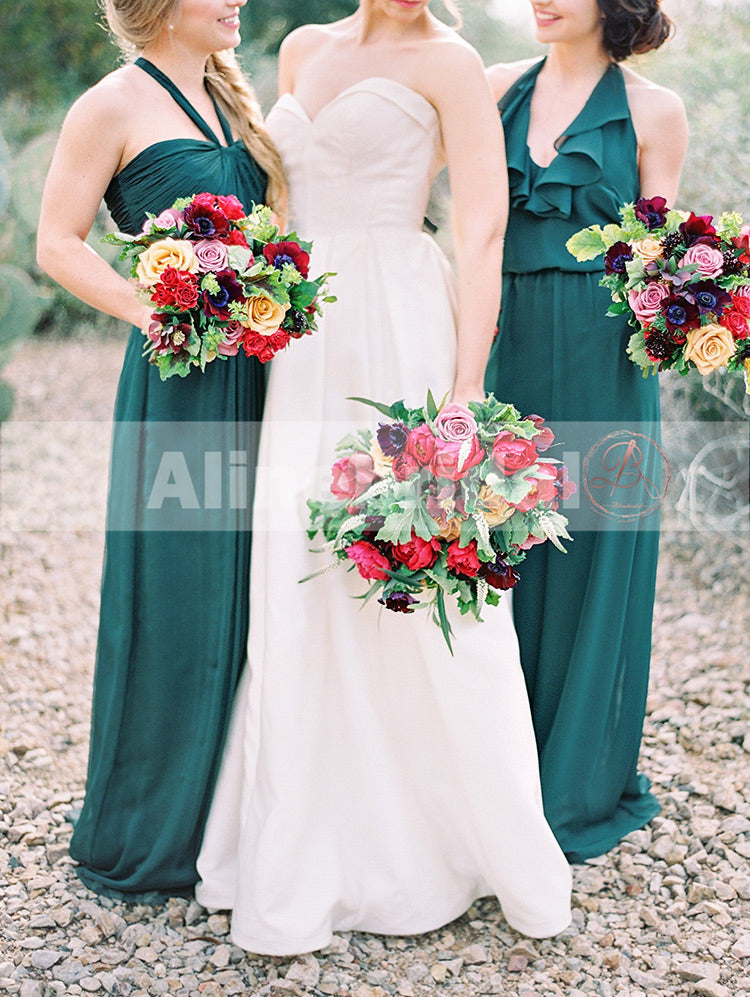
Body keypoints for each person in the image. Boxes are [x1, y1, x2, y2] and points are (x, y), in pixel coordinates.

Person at [195, 0, 572, 955]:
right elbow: (279, 205)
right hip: (303, 337)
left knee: (406, 564)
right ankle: (304, 841)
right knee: (300, 576)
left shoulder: (451, 62)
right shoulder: (301, 47)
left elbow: (479, 233)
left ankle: (443, 839)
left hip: (399, 326)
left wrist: (465, 393)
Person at [36, 0, 284, 898]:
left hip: (261, 374)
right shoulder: (109, 103)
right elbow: (56, 241)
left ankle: (238, 820)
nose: (237, 1)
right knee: (179, 582)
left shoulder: (230, 96)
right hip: (180, 382)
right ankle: (153, 825)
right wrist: (152, 308)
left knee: (256, 580)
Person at [483, 0, 688, 862]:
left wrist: (697, 298)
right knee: (502, 542)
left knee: (598, 546)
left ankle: (578, 778)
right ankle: (493, 769)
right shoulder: (493, 89)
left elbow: (659, 255)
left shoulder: (655, 110)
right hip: (506, 343)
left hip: (607, 361)